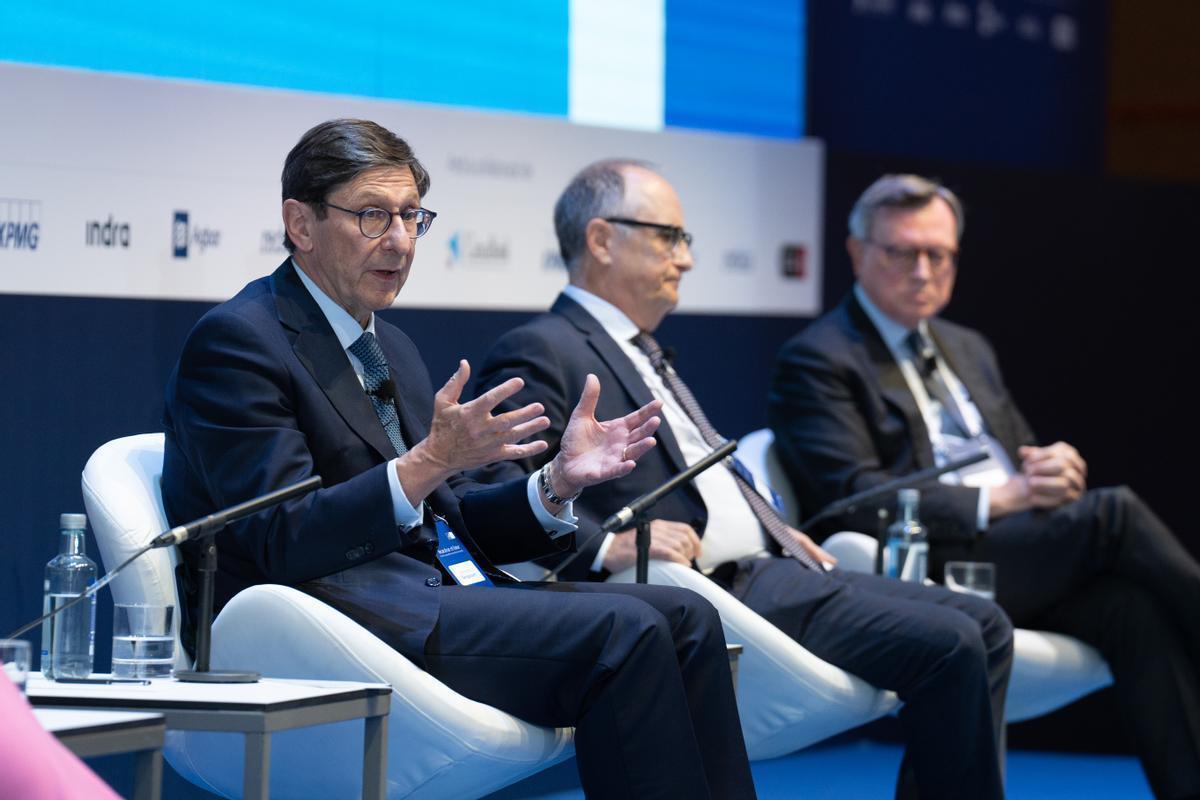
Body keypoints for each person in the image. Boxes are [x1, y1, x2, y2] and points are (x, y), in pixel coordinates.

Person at [161, 119, 757, 799]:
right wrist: (426, 464)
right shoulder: (240, 343)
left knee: (686, 616)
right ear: (301, 223)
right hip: (332, 616)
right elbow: (280, 535)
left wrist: (554, 487)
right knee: (626, 630)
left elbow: (462, 518)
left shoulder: (396, 349)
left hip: (443, 594)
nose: (401, 242)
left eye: (412, 216)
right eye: (373, 216)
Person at [472, 160, 1014, 800]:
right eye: (669, 237)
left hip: (769, 568)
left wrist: (780, 531)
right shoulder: (543, 348)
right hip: (712, 589)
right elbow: (494, 490)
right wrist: (600, 546)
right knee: (951, 643)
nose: (687, 259)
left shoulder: (642, 348)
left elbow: (711, 470)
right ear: (600, 240)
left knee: (986, 624)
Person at [769, 173, 1200, 799]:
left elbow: (1018, 457)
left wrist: (1053, 470)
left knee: (1131, 611)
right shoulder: (819, 358)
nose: (922, 270)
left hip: (1022, 549)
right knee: (1116, 516)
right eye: (901, 252)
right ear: (858, 253)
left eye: (938, 255)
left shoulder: (966, 346)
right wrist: (1001, 499)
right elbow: (852, 499)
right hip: (932, 561)